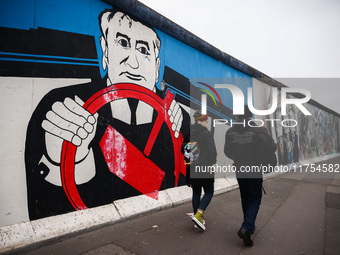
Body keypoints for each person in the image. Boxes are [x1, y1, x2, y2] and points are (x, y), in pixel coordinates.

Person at [25, 8, 189, 220]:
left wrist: (186, 140)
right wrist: (60, 162)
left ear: (157, 67)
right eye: (122, 43)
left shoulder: (178, 117)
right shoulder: (64, 106)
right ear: (105, 50)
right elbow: (44, 214)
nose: (133, 62)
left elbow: (196, 171)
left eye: (143, 49)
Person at [224, 106, 276, 246]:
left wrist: (238, 157)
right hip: (254, 170)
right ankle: (247, 227)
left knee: (245, 197)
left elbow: (227, 151)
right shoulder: (259, 130)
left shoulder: (231, 131)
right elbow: (273, 147)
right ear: (250, 116)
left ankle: (249, 224)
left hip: (240, 170)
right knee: (254, 200)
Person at [183, 110, 217, 231]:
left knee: (196, 193)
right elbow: (213, 152)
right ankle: (198, 215)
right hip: (204, 168)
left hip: (192, 168)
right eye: (206, 119)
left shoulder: (189, 133)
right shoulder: (206, 133)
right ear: (204, 120)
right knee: (209, 192)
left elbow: (185, 150)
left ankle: (199, 220)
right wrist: (211, 162)